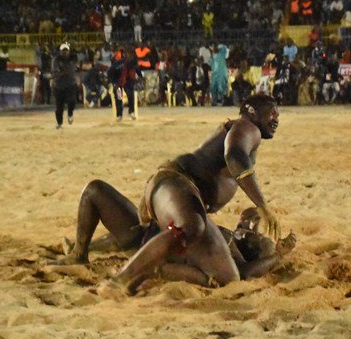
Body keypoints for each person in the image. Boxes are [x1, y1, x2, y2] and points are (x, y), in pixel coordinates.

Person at [102, 94, 281, 292]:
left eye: (278, 115)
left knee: (228, 278)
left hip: (182, 195)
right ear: (251, 110)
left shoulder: (242, 130)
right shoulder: (247, 127)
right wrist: (262, 205)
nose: (276, 120)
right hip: (176, 185)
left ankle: (148, 267)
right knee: (190, 227)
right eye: (272, 113)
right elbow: (235, 157)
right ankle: (120, 280)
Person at [53, 179, 296, 288]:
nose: (254, 230)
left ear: (252, 248)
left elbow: (245, 273)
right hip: (143, 233)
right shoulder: (230, 233)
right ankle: (79, 252)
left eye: (259, 236)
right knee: (94, 190)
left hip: (146, 248)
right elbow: (249, 215)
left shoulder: (228, 251)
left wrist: (279, 256)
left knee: (99, 197)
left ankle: (96, 255)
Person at [52, 42, 79, 129]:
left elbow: (76, 55)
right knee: (59, 107)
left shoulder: (72, 58)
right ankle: (59, 123)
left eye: (66, 50)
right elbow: (56, 73)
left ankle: (70, 113)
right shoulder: (56, 60)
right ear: (60, 51)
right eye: (63, 51)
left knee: (72, 101)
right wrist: (66, 72)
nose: (65, 52)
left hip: (70, 84)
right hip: (59, 86)